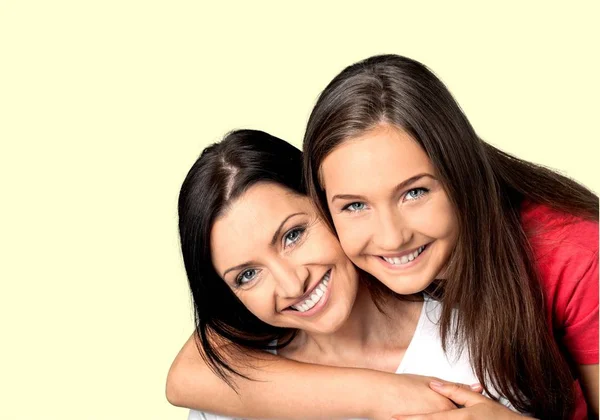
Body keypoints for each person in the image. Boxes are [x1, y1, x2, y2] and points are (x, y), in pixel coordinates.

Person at [302, 54, 598, 419]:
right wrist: (382, 393)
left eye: (415, 193)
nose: (392, 238)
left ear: (460, 174)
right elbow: (211, 366)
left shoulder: (575, 253)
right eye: (355, 206)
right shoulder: (328, 262)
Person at [170, 129, 517, 420]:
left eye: (293, 235)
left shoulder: (478, 346)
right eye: (247, 275)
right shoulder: (225, 395)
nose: (292, 285)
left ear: (330, 203)